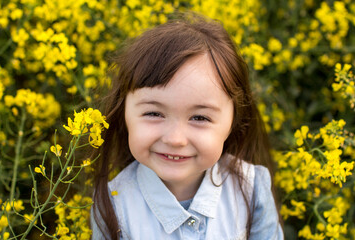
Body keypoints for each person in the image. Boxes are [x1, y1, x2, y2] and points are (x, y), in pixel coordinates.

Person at [91, 13, 284, 240]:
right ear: (124, 112)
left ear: (232, 121)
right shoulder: (113, 205)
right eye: (154, 113)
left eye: (200, 118)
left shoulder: (251, 190)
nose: (175, 139)